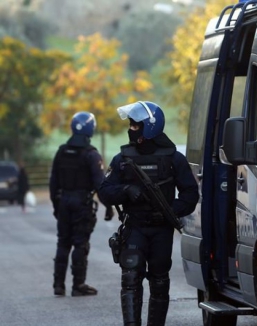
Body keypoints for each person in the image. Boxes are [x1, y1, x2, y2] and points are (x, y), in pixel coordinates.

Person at [98, 101, 198, 326]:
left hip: (161, 230)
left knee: (160, 281)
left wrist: (171, 211)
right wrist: (126, 190)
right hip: (135, 227)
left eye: (135, 126)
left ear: (149, 128)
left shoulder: (173, 158)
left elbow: (190, 194)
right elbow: (104, 191)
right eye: (131, 126)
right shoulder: (123, 159)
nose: (131, 130)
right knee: (131, 278)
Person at [49, 111, 104, 297]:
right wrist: (110, 207)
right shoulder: (91, 154)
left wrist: (56, 206)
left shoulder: (62, 151)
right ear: (91, 129)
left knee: (63, 243)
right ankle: (78, 285)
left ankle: (58, 284)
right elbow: (100, 184)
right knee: (80, 244)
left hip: (64, 201)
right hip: (82, 203)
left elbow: (53, 182)